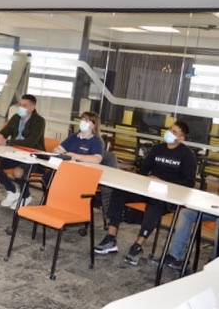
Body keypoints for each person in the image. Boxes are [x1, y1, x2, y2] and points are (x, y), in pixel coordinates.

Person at [95, 120, 197, 265]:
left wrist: (164, 182)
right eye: (170, 129)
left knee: (155, 205)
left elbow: (189, 183)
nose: (169, 133)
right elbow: (143, 170)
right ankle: (111, 238)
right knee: (118, 193)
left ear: (181, 138)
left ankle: (138, 246)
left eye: (174, 132)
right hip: (149, 189)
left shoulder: (187, 155)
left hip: (168, 195)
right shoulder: (157, 149)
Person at [0, 94, 45, 209]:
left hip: (32, 158)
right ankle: (12, 191)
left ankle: (26, 196)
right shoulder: (15, 117)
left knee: (18, 172)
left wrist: (7, 142)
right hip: (14, 154)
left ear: (32, 107)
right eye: (20, 104)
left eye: (25, 105)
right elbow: (4, 132)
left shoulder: (39, 121)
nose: (21, 107)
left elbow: (31, 141)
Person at [35, 111, 104, 190]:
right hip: (66, 168)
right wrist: (58, 151)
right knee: (47, 177)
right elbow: (60, 148)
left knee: (58, 181)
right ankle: (51, 198)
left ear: (93, 125)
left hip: (82, 172)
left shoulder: (96, 141)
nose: (83, 122)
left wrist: (76, 156)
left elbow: (97, 159)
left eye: (87, 121)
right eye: (82, 119)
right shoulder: (73, 137)